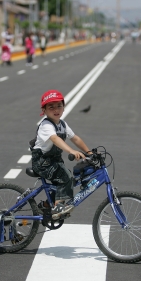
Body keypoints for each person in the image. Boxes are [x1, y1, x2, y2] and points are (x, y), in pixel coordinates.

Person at [30, 90, 91, 220]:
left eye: (59, 106)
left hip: (53, 162)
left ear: (64, 107)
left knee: (67, 179)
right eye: (51, 107)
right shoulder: (46, 125)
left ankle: (46, 205)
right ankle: (58, 210)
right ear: (44, 110)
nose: (56, 109)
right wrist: (72, 151)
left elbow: (75, 138)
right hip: (42, 162)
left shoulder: (62, 124)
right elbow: (55, 139)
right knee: (65, 177)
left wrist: (89, 152)